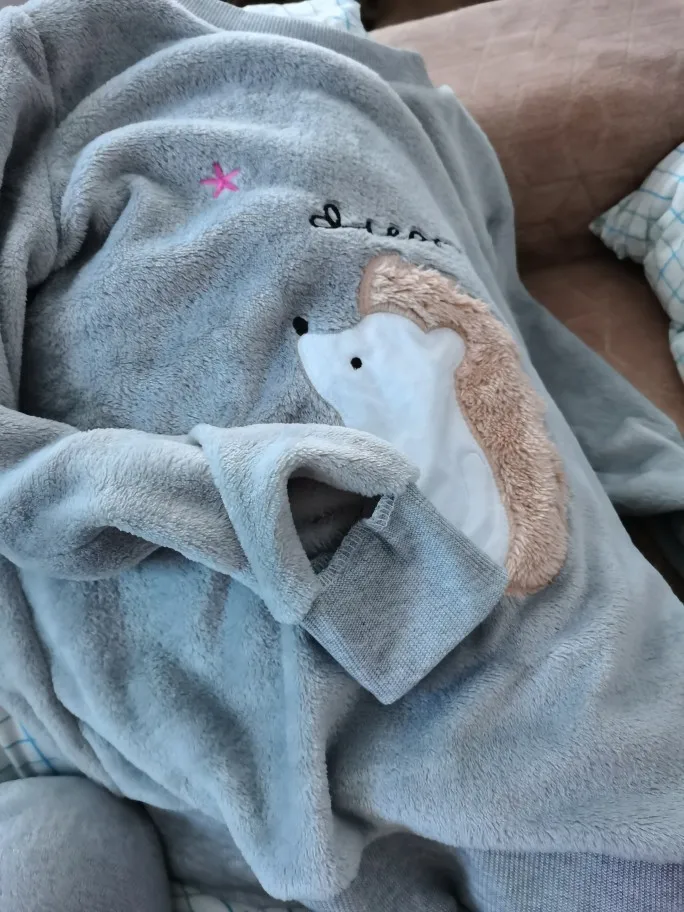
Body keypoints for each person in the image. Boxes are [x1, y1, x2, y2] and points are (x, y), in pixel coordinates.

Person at [2, 0, 684, 909]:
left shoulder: (399, 102)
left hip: (573, 683)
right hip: (246, 698)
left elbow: (510, 329)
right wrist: (214, 500)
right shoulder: (44, 67)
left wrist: (638, 465)